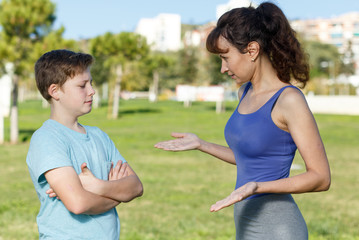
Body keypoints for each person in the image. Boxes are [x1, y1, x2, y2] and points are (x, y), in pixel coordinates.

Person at [155, 2, 330, 239]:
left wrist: (258, 186)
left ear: (252, 50)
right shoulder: (244, 93)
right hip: (246, 223)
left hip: (279, 227)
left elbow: (320, 178)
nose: (223, 68)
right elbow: (251, 159)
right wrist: (201, 144)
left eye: (225, 57)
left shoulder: (288, 100)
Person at [26, 49, 143, 240]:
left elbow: (136, 187)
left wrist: (98, 186)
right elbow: (78, 203)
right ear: (55, 91)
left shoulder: (100, 136)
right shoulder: (47, 139)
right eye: (82, 85)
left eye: (91, 83)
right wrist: (118, 194)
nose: (92, 91)